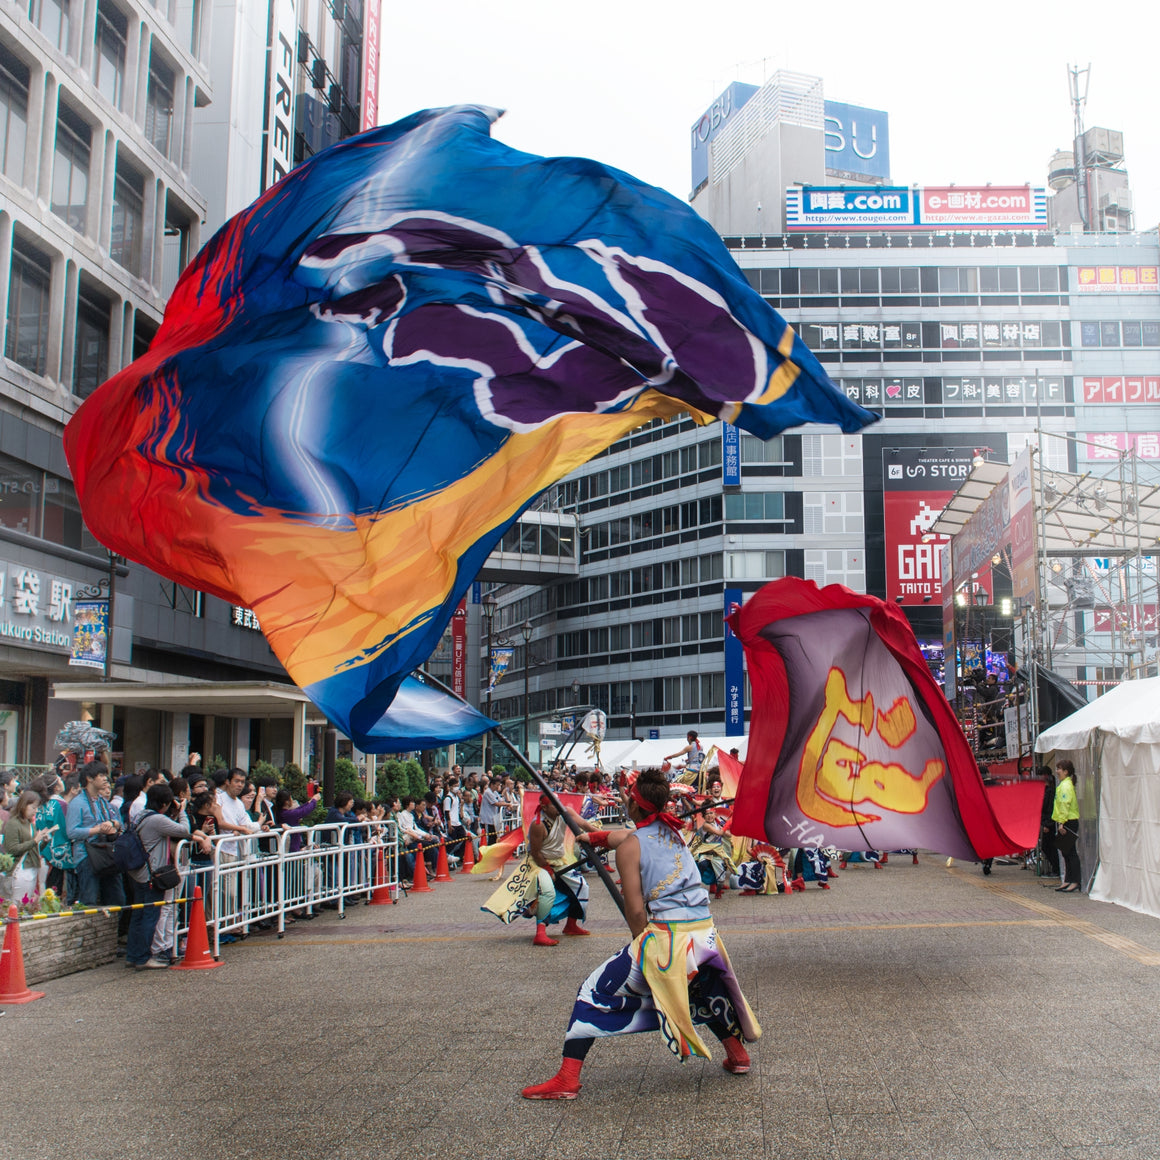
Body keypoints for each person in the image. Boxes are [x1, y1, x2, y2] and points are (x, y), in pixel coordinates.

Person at [521, 769, 761, 1099]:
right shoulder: (673, 833)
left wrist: (642, 947)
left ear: (634, 805)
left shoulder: (631, 847)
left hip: (668, 939)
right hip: (705, 936)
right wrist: (596, 837)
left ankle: (567, 1079)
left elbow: (634, 909)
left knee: (593, 989)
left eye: (628, 797)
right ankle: (738, 1054)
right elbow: (630, 837)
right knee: (697, 986)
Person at [65, 761, 126, 907]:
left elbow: (119, 823)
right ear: (89, 779)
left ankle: (111, 929)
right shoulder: (77, 803)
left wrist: (113, 824)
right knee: (89, 900)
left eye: (106, 775)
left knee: (117, 900)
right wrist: (97, 829)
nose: (106, 778)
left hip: (106, 855)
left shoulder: (103, 802)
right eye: (101, 775)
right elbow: (71, 832)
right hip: (86, 856)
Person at [2, 790, 51, 895]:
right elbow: (12, 849)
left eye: (37, 808)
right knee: (17, 907)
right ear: (23, 806)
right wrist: (34, 841)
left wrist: (43, 842)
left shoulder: (29, 823)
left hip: (30, 869)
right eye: (33, 807)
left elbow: (33, 849)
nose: (36, 811)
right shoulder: (13, 823)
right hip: (18, 872)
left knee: (26, 905)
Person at [1053, 759, 1081, 893]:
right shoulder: (1064, 784)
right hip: (1065, 821)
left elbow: (1065, 805)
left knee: (1070, 852)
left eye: (1059, 769)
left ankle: (1074, 881)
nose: (1057, 771)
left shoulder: (1066, 786)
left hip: (1068, 821)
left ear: (1066, 771)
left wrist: (1062, 823)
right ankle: (1069, 879)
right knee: (1066, 852)